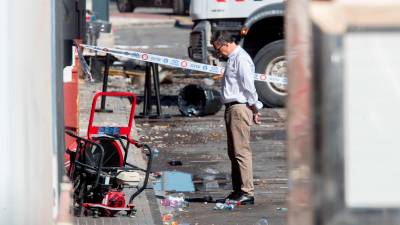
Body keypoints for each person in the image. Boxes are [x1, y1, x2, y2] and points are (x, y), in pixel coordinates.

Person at [211, 31, 262, 205]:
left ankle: (247, 192)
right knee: (233, 152)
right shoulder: (233, 58)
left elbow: (249, 86)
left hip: (239, 108)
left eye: (218, 49)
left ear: (225, 44)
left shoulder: (241, 58)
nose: (219, 53)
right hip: (232, 108)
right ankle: (238, 189)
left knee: (241, 151)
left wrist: (255, 108)